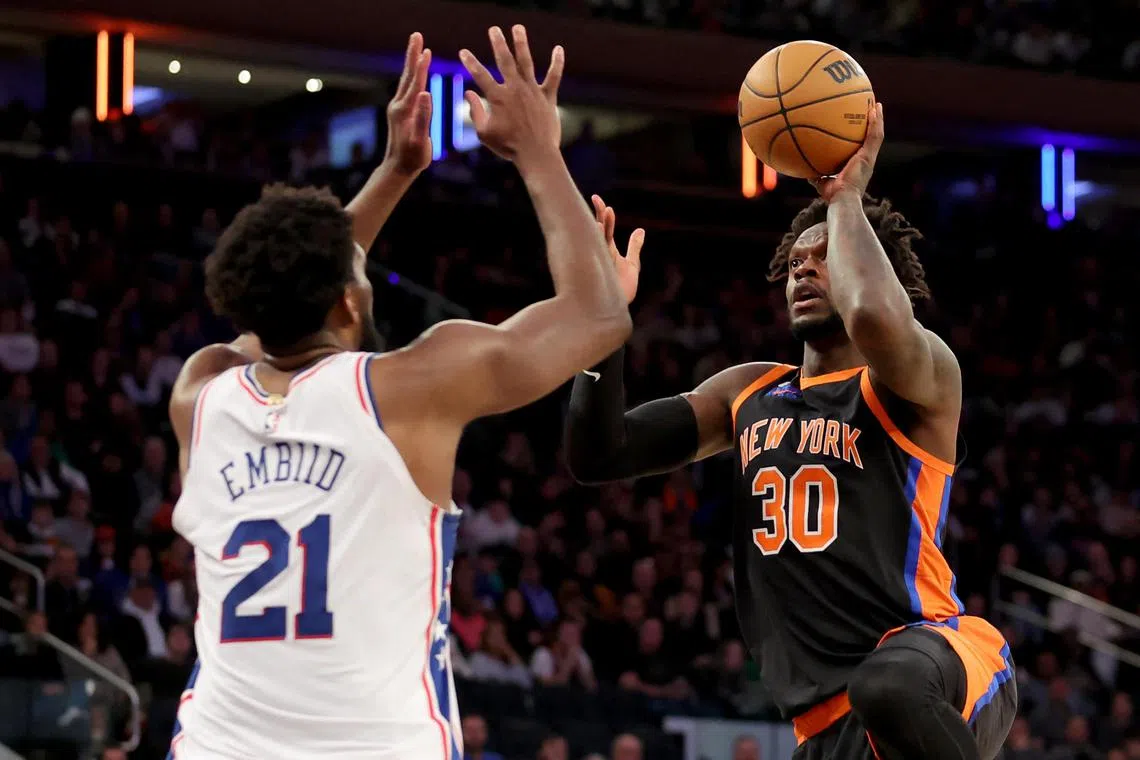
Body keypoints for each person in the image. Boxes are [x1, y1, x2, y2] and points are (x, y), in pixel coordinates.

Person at [165, 28, 630, 760]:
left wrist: (394, 171)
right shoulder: (408, 389)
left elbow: (279, 303)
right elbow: (598, 317)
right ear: (348, 306)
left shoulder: (201, 393)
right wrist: (538, 147)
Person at [564, 103, 1016, 760]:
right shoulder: (746, 392)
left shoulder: (919, 378)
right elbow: (597, 454)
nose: (804, 269)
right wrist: (601, 324)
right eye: (798, 260)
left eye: (826, 256)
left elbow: (871, 316)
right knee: (874, 696)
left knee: (887, 686)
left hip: (941, 661)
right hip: (827, 722)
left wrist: (846, 199)